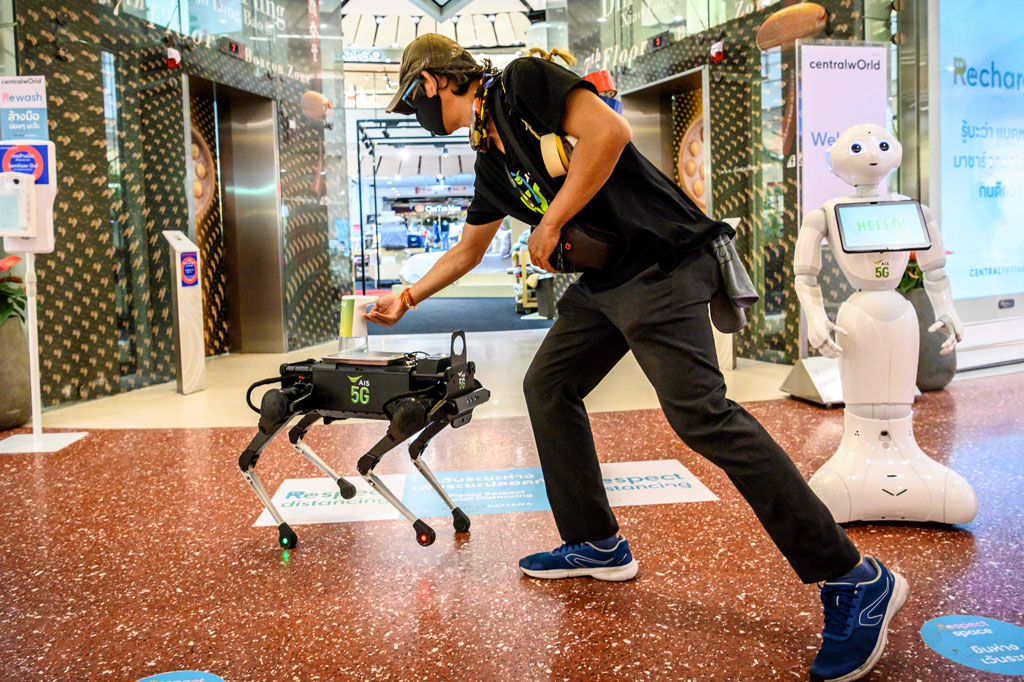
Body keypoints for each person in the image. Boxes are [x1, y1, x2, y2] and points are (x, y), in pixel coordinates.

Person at [366, 34, 907, 682]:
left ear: (429, 83)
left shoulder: (522, 83)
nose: (416, 114)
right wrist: (407, 297)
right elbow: (468, 250)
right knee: (549, 386)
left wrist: (550, 221)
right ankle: (596, 540)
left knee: (701, 416)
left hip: (662, 263)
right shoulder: (490, 162)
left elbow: (610, 134)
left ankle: (853, 577)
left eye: (411, 101)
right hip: (606, 285)